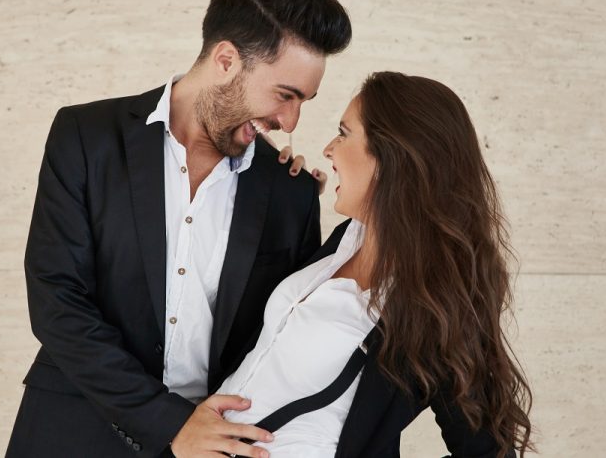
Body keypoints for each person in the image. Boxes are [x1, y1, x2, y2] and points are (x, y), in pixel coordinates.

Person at [6, 0, 352, 458]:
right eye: (285, 95)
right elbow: (57, 301)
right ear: (226, 60)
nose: (290, 121)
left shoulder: (289, 189)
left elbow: (282, 340)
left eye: (303, 102)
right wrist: (170, 423)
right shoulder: (86, 135)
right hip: (72, 432)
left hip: (214, 447)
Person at [208, 72, 534, 458]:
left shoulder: (432, 302)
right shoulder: (347, 238)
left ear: (391, 156)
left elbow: (489, 451)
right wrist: (279, 186)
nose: (329, 149)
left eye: (344, 134)